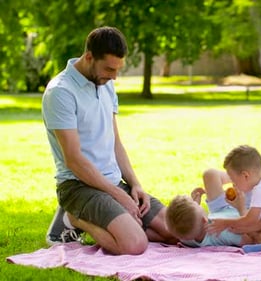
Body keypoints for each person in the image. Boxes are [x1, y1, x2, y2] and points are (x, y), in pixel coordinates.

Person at [42, 26, 178, 254]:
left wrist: (135, 185)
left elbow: (115, 141)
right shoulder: (60, 92)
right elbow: (74, 160)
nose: (114, 76)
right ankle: (74, 218)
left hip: (112, 182)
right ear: (89, 57)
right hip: (78, 186)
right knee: (135, 244)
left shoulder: (106, 83)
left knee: (174, 231)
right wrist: (118, 197)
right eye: (109, 69)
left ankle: (122, 225)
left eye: (118, 70)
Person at [165, 184, 261, 247]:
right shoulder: (222, 232)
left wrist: (195, 205)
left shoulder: (186, 238)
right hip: (249, 221)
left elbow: (189, 220)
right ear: (204, 220)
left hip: (231, 212)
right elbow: (250, 241)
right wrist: (241, 208)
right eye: (196, 205)